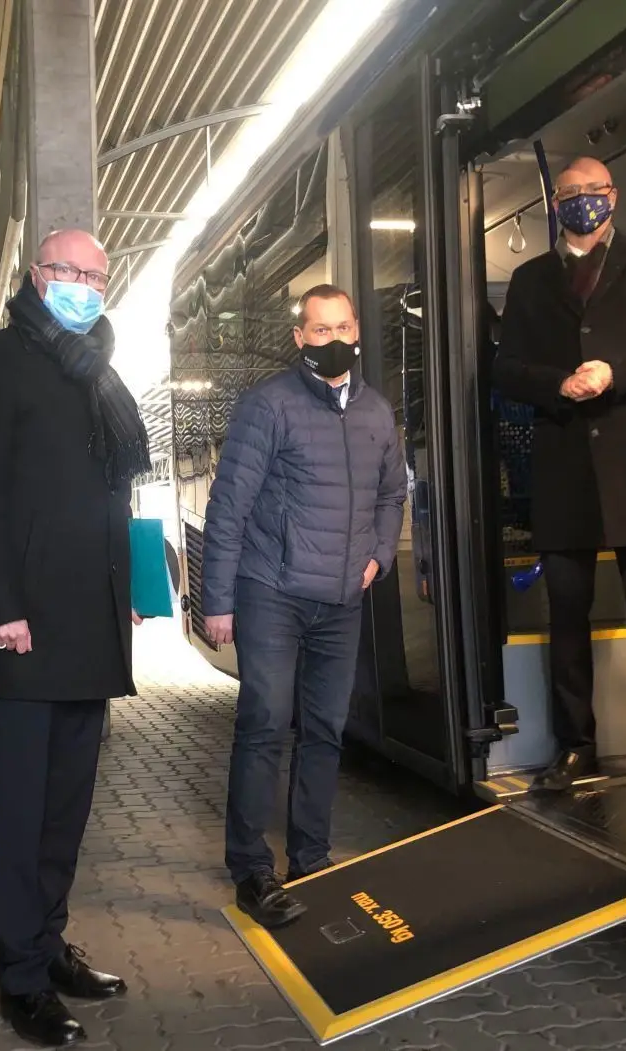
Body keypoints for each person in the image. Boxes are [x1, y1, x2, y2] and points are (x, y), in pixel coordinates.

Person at [0, 229, 149, 1046]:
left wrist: (129, 588)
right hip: (23, 625)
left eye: (96, 275)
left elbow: (115, 496)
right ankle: (20, 976)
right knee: (20, 809)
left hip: (90, 622)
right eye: (68, 271)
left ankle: (49, 940)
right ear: (36, 274)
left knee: (65, 807)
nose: (83, 286)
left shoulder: (98, 372)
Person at [202, 283, 407, 929]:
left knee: (324, 730)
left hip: (342, 599)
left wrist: (380, 553)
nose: (333, 339)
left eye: (342, 326)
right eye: (319, 330)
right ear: (300, 339)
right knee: (265, 721)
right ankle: (250, 868)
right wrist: (218, 600)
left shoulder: (376, 411)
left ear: (357, 331)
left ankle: (312, 857)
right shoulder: (268, 406)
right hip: (273, 591)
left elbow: (392, 492)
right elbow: (227, 504)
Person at [491, 155, 626, 800]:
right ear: (554, 203)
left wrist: (614, 372)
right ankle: (575, 744)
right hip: (564, 466)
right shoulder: (532, 278)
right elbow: (507, 368)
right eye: (569, 193)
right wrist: (558, 384)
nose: (582, 202)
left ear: (614, 196)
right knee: (566, 618)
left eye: (592, 192)